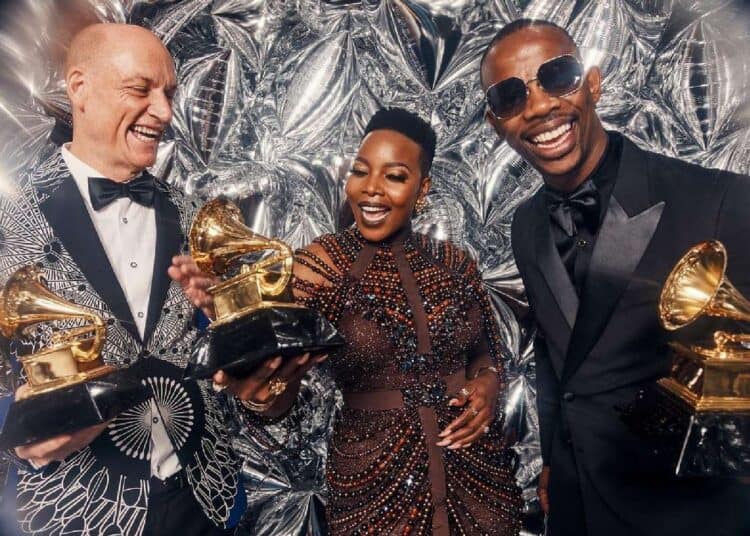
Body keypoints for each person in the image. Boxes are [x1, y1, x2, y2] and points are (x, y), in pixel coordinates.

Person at [0, 23, 284, 536]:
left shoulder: (200, 217)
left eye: (169, 94)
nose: (164, 112)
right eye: (140, 89)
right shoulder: (9, 221)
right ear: (80, 88)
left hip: (204, 505)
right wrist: (15, 432)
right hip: (73, 514)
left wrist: (250, 359)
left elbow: (238, 374)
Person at [480, 18, 750, 536]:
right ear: (497, 124)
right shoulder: (526, 225)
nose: (538, 107)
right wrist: (554, 459)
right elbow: (556, 356)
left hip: (687, 514)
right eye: (511, 96)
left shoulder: (719, 199)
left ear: (593, 84)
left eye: (558, 76)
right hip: (577, 502)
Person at [203, 107, 523, 535]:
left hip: (479, 482)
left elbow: (486, 351)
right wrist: (242, 349)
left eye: (394, 176)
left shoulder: (454, 262)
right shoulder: (323, 267)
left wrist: (487, 383)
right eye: (360, 171)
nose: (371, 188)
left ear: (422, 188)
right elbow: (273, 378)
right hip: (375, 487)